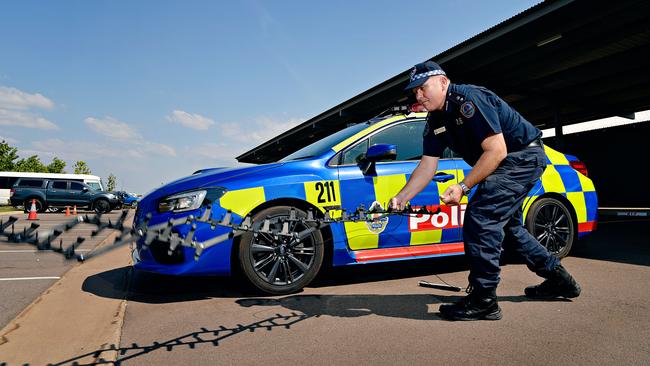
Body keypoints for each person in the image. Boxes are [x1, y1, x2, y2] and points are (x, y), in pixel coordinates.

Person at [389, 61, 581, 321]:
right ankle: (560, 279)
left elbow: (497, 150)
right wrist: (402, 197)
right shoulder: (435, 119)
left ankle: (484, 300)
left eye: (423, 88)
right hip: (505, 163)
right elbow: (427, 164)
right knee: (510, 231)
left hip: (521, 157)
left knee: (481, 218)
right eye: (415, 92)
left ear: (443, 82)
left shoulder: (469, 100)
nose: (419, 96)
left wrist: (463, 187)